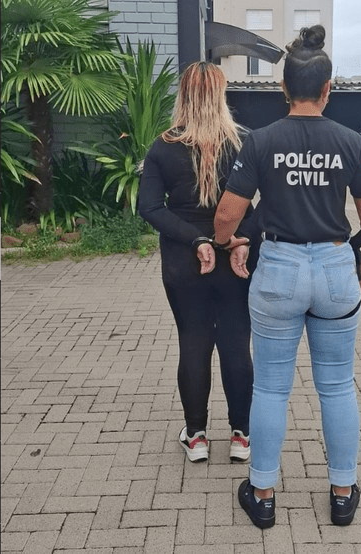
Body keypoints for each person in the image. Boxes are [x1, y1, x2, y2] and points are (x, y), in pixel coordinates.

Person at [213, 24, 361, 529]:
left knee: (271, 389)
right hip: (334, 270)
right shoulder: (350, 143)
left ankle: (263, 494)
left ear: (284, 87)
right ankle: (343, 493)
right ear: (328, 89)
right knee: (337, 386)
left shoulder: (262, 142)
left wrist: (232, 244)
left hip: (279, 272)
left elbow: (224, 219)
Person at [138, 61, 261, 464]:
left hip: (183, 258)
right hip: (236, 257)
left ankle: (196, 437)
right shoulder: (245, 142)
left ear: (183, 95)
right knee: (235, 341)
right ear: (221, 96)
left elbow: (149, 207)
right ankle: (241, 436)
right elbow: (272, 202)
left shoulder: (163, 146)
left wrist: (195, 239)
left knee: (193, 339)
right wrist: (244, 237)